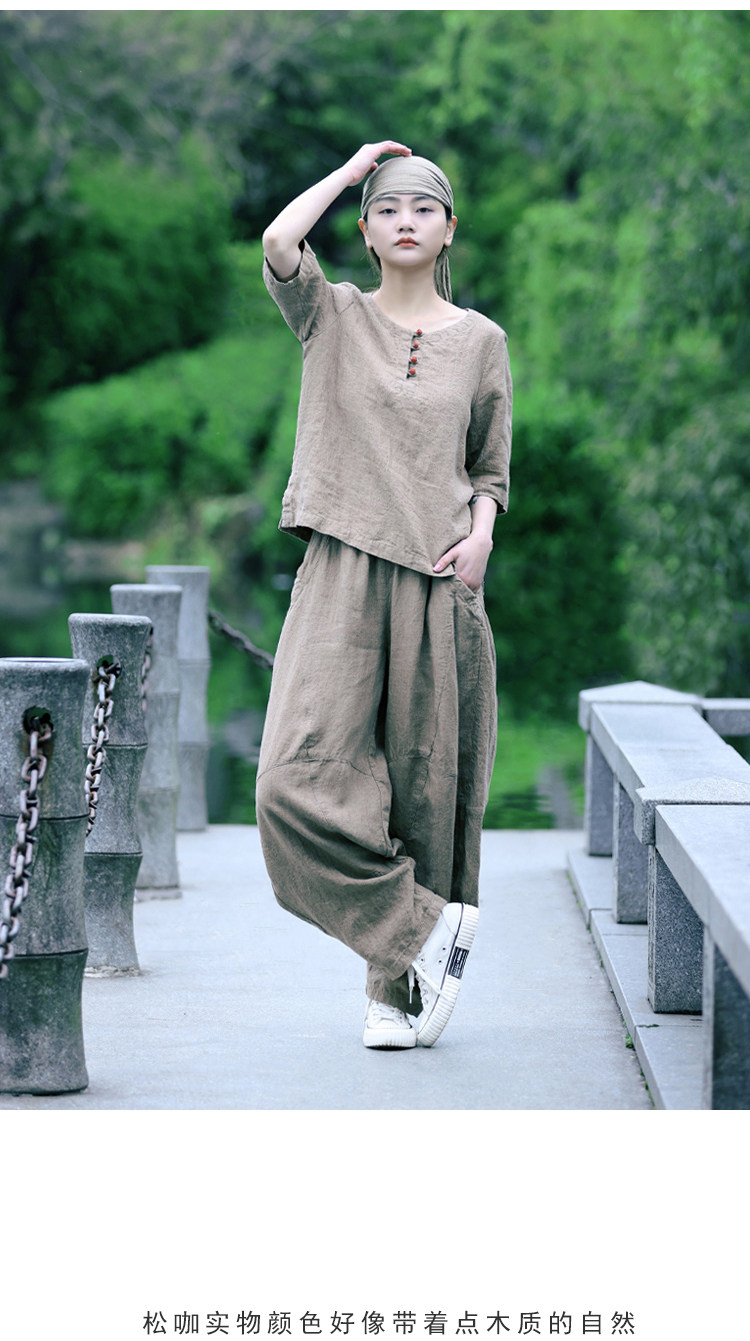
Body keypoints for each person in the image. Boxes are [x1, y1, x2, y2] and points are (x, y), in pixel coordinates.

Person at [256, 141, 512, 1051]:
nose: (406, 221)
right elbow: (279, 241)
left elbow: (489, 468)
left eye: (423, 208)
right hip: (340, 571)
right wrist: (352, 168)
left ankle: (394, 993)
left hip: (439, 581)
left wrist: (481, 536)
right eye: (388, 209)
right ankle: (423, 930)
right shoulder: (330, 315)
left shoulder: (482, 341)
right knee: (289, 782)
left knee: (423, 787)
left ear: (449, 230)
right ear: (365, 231)